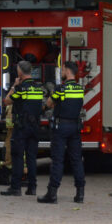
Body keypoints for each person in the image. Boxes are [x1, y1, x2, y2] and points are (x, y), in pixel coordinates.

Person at [38, 61, 86, 204]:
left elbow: (49, 104)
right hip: (75, 128)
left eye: (62, 69)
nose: (61, 72)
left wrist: (46, 107)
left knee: (57, 160)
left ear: (67, 70)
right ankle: (80, 193)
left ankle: (52, 194)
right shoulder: (80, 89)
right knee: (77, 160)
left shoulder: (61, 88)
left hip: (61, 127)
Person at [0, 60, 43, 197]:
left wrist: (14, 86)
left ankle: (16, 188)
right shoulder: (38, 88)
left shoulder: (20, 88)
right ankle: (32, 187)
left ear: (20, 72)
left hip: (21, 127)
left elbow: (7, 101)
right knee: (31, 158)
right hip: (35, 127)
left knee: (17, 156)